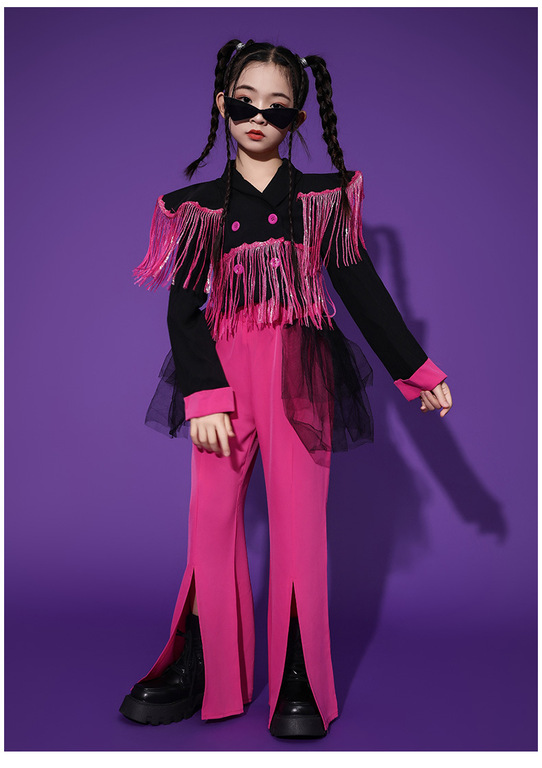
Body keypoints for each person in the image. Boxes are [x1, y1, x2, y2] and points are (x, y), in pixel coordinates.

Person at [119, 39, 452, 739]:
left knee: (300, 525)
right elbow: (184, 312)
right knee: (211, 520)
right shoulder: (200, 210)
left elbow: (362, 291)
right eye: (245, 104)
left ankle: (298, 670)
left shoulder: (322, 201)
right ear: (223, 106)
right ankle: (197, 661)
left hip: (302, 372)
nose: (258, 118)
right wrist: (205, 397)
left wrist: (416, 370)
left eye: (276, 108)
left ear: (297, 117)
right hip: (224, 377)